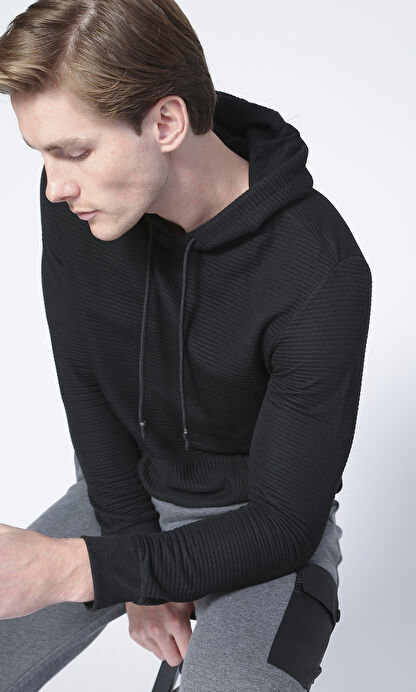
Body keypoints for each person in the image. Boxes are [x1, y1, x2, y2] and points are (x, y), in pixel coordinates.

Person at [0, 1, 372, 690]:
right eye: (42, 154)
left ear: (166, 123)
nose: (55, 186)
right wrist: (134, 564)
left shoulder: (319, 269)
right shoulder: (80, 205)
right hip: (124, 494)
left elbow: (284, 524)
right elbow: (85, 384)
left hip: (259, 529)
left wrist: (83, 570)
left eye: (73, 151)